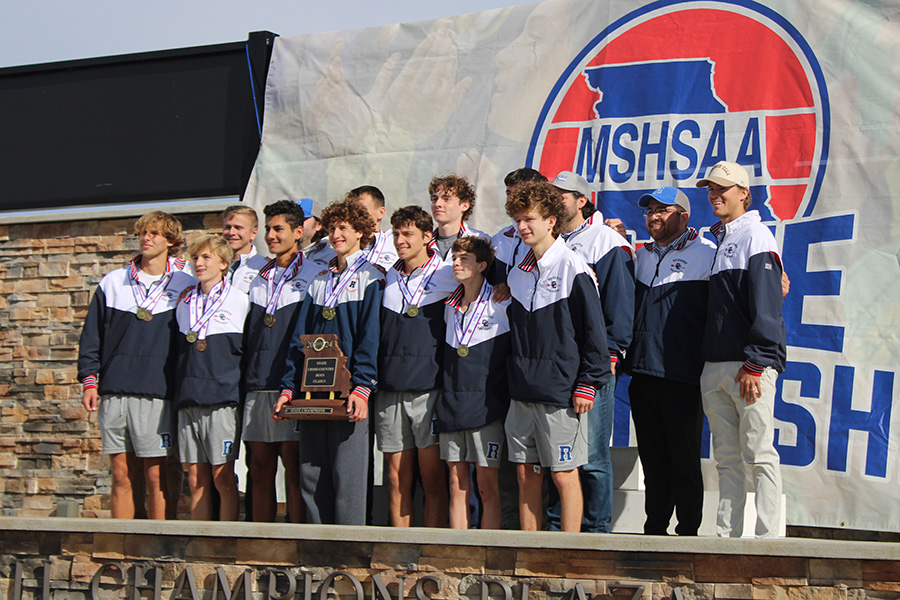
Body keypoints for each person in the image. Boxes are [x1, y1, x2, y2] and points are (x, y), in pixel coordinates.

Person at [504, 181, 611, 532]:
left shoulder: (573, 267)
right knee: (526, 476)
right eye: (518, 219)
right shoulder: (517, 271)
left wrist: (587, 384)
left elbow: (595, 334)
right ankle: (529, 556)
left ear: (551, 221)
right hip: (522, 393)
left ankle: (568, 555)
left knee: (565, 476)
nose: (522, 227)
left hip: (561, 394)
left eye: (530, 218)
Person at [274, 198, 385, 525]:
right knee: (311, 474)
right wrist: (287, 388)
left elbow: (371, 338)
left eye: (344, 228)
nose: (336, 234)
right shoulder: (319, 280)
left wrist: (363, 388)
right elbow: (299, 339)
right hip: (311, 393)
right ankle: (315, 552)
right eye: (333, 228)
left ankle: (347, 556)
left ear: (361, 233)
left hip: (348, 394)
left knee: (346, 479)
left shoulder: (372, 278)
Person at [78, 211, 193, 520]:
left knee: (157, 476)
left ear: (170, 240)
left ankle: (159, 549)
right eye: (143, 233)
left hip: (158, 392)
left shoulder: (186, 283)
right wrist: (90, 380)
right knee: (121, 475)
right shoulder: (113, 282)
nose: (146, 238)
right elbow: (91, 337)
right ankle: (122, 551)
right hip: (115, 390)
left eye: (154, 233)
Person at [696, 161, 786, 538]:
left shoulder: (757, 235)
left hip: (747, 366)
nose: (715, 195)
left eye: (723, 189)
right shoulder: (721, 238)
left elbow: (767, 304)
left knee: (759, 453)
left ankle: (771, 540)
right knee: (727, 460)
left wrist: (756, 361)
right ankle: (726, 538)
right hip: (715, 365)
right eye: (711, 189)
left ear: (744, 194)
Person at [546, 170, 635, 533]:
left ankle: (597, 533)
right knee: (559, 456)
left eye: (563, 195)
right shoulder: (548, 242)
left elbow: (620, 303)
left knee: (594, 455)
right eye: (552, 194)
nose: (556, 200)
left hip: (594, 364)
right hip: (557, 365)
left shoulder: (605, 240)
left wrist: (611, 355)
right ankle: (558, 531)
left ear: (582, 200)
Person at [625, 186, 716, 535]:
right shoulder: (642, 256)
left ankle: (689, 532)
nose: (654, 216)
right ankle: (655, 530)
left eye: (663, 210)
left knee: (684, 458)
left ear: (684, 215)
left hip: (682, 374)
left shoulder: (706, 253)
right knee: (653, 459)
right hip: (644, 373)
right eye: (650, 211)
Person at [376, 205, 456, 527]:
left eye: (408, 234)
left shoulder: (449, 274)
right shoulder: (386, 276)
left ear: (427, 237)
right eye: (396, 233)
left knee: (434, 481)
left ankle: (432, 553)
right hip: (390, 389)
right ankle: (397, 555)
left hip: (429, 390)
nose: (400, 240)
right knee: (396, 481)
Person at [242, 200, 320, 522]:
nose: (271, 236)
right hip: (257, 384)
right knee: (259, 468)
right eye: (269, 229)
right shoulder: (253, 277)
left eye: (279, 229)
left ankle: (295, 541)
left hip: (293, 387)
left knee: (294, 469)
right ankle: (259, 541)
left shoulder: (316, 274)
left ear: (298, 232)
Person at [174, 233, 250, 521]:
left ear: (224, 263)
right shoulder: (184, 302)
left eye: (206, 257)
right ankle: (199, 543)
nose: (199, 263)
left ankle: (226, 542)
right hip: (189, 399)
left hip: (222, 401)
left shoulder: (240, 301)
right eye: (195, 258)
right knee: (195, 480)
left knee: (223, 479)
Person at [438, 237, 511, 529]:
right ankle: (457, 555)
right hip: (452, 407)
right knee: (456, 485)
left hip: (486, 408)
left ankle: (488, 554)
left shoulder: (501, 301)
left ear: (482, 266)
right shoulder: (449, 306)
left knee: (486, 486)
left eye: (464, 259)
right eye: (454, 258)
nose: (456, 263)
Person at [429, 175, 489, 260]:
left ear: (465, 205)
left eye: (446, 199)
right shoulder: (422, 244)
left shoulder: (480, 241)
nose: (437, 204)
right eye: (434, 199)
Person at [348, 185, 400, 272]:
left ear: (381, 213)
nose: (356, 216)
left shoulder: (396, 241)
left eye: (362, 210)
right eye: (351, 211)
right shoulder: (337, 243)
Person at [221, 205, 268, 293]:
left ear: (253, 233)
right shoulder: (213, 265)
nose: (231, 232)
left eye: (238, 228)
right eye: (227, 227)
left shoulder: (265, 268)